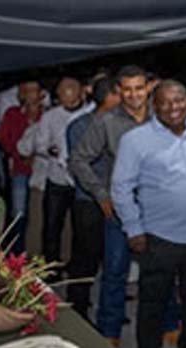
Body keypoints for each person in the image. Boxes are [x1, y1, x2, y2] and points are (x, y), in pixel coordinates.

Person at [112, 80, 186, 348]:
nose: (174, 107)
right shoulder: (136, 140)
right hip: (159, 238)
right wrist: (133, 228)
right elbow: (120, 188)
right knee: (153, 303)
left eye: (179, 99)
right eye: (166, 102)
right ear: (154, 106)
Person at [69, 65, 152, 347]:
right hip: (121, 207)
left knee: (161, 271)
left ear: (148, 88)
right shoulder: (106, 121)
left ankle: (166, 327)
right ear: (119, 91)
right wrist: (100, 194)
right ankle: (109, 331)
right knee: (115, 271)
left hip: (159, 209)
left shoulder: (162, 116)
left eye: (139, 88)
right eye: (127, 89)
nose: (134, 95)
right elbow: (78, 159)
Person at [64, 76, 120, 321]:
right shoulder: (80, 126)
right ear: (109, 97)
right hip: (89, 201)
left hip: (116, 200)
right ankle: (78, 310)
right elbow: (80, 166)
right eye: (120, 93)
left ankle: (110, 311)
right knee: (85, 260)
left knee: (113, 260)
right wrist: (101, 194)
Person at [17, 76, 87, 266]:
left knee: (78, 227)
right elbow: (40, 144)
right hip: (56, 178)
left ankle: (71, 263)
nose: (69, 104)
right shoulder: (50, 117)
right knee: (51, 225)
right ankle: (49, 266)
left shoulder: (90, 113)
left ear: (81, 94)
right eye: (65, 100)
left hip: (82, 180)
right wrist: (51, 150)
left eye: (73, 101)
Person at [0, 79, 45, 254]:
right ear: (21, 94)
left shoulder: (48, 115)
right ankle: (17, 254)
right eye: (26, 91)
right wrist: (20, 155)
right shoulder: (12, 114)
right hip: (20, 170)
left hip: (43, 172)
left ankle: (37, 252)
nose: (30, 95)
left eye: (34, 90)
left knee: (40, 214)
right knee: (19, 213)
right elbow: (4, 140)